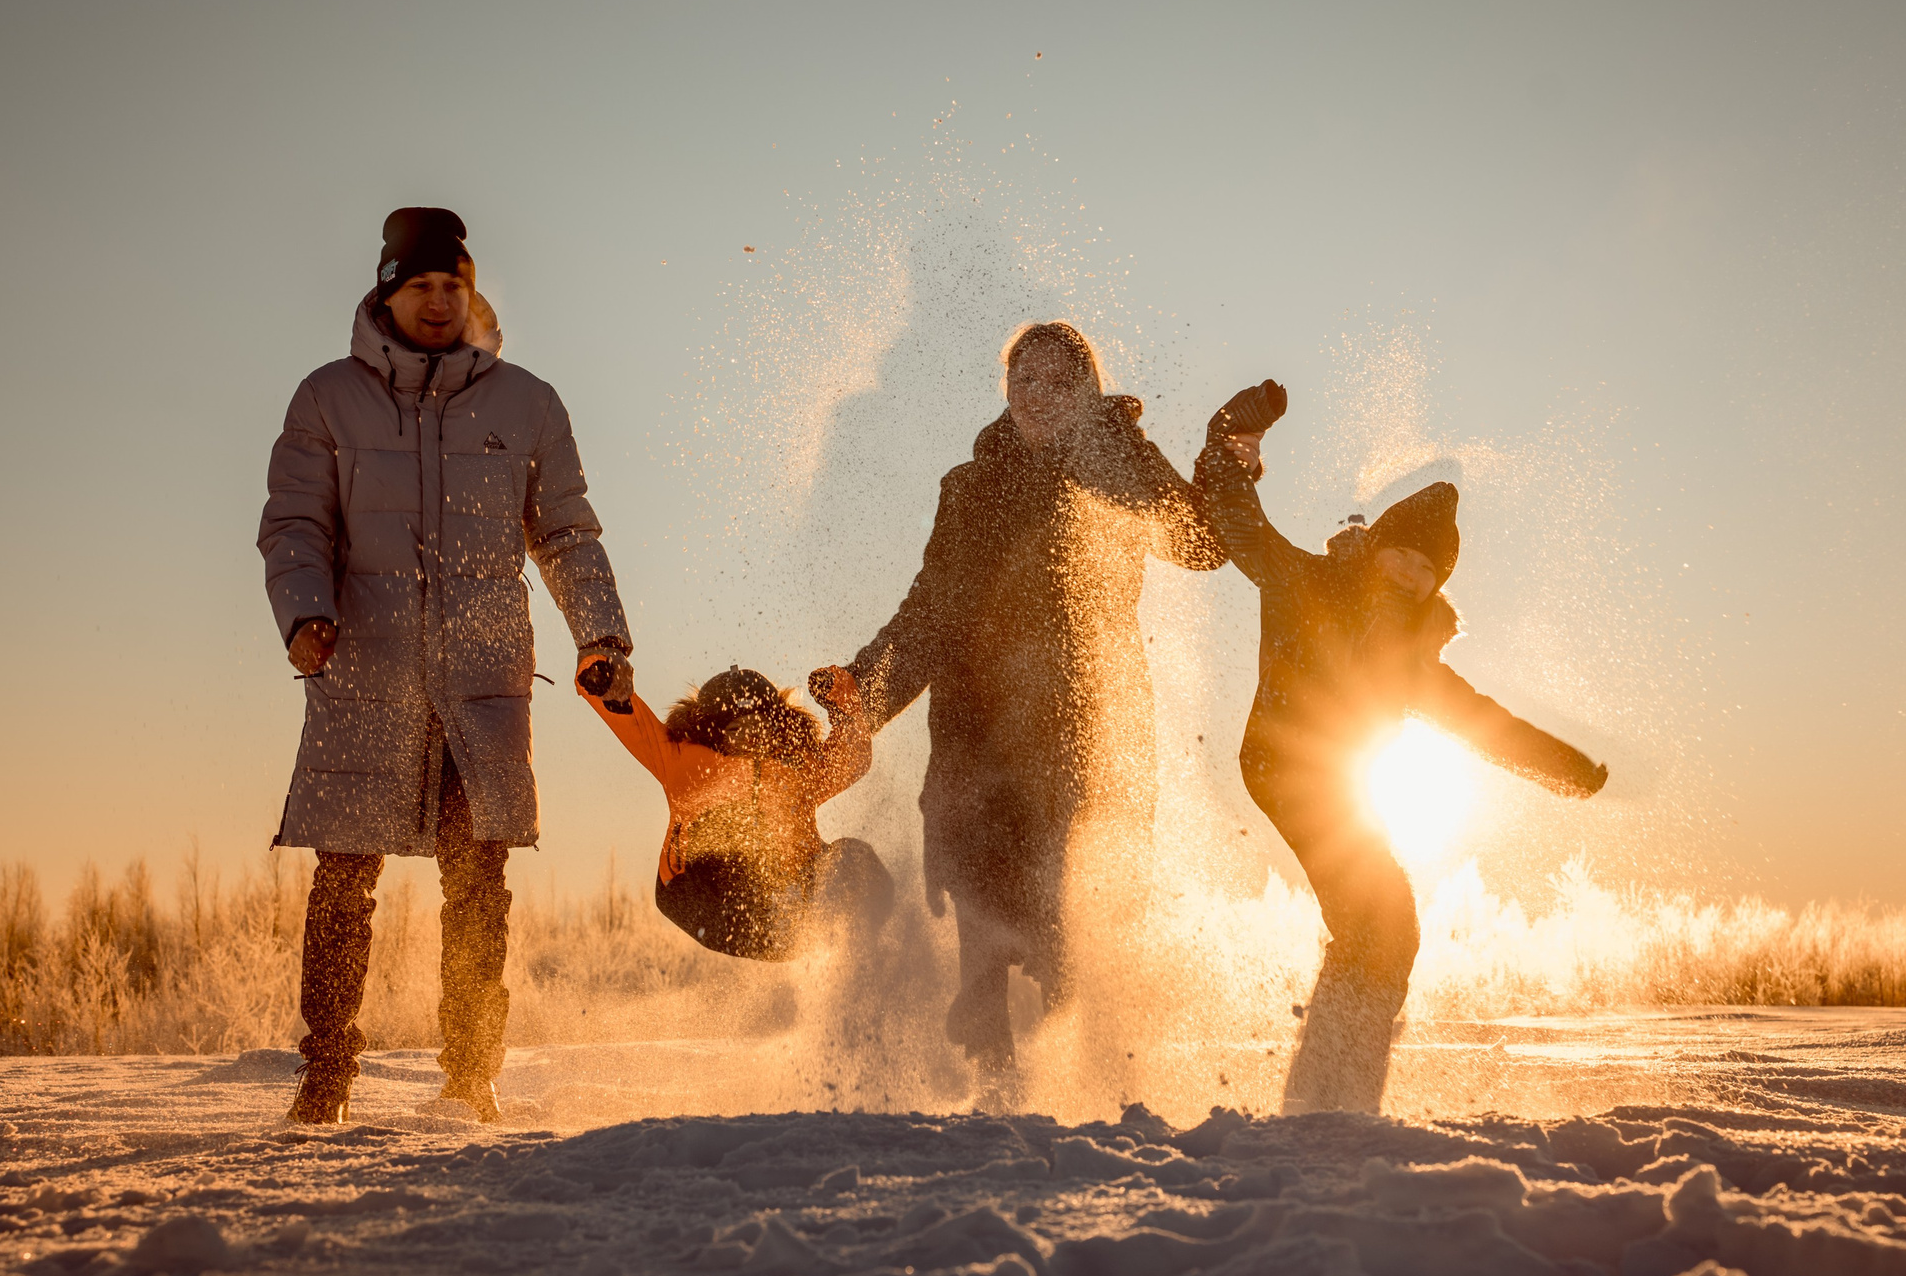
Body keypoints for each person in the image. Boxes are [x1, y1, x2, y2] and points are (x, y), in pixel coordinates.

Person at [258, 206, 637, 1125]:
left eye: (452, 286)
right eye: (421, 286)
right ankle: (326, 1077)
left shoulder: (527, 404)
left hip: (483, 675)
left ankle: (470, 1078)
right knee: (344, 873)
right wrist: (305, 613)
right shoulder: (326, 400)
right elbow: (295, 524)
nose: (438, 303)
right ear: (388, 291)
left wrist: (604, 636)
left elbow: (567, 533)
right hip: (367, 666)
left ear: (472, 291)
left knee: (478, 877)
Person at [1194, 380, 1608, 1115]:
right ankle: (1329, 1093)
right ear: (1377, 545)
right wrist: (1229, 432)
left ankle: (1337, 1082)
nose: (1413, 575)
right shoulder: (1305, 582)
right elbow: (1237, 521)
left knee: (1388, 923)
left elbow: (1484, 722)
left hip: (1343, 788)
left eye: (1430, 570)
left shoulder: (1412, 659)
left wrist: (1565, 771)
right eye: (1403, 556)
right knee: (1377, 915)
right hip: (1283, 764)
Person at [846, 321, 1228, 1087]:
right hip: (978, 732)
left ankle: (1080, 1101)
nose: (1041, 397)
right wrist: (864, 688)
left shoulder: (1116, 464)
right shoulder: (971, 485)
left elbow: (1203, 542)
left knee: (1070, 928)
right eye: (1026, 382)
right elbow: (930, 612)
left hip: (1086, 729)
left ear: (1086, 391)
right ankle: (993, 1099)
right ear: (1007, 393)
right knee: (983, 915)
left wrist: (1220, 457)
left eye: (1060, 383)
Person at [577, 658, 892, 956]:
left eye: (759, 726)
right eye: (735, 728)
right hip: (700, 894)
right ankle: (779, 913)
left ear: (776, 725)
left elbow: (851, 757)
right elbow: (631, 719)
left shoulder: (797, 768)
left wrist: (842, 699)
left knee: (853, 857)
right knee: (725, 831)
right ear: (712, 730)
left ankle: (853, 955)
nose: (750, 737)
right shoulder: (682, 759)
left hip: (792, 894)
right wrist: (601, 678)